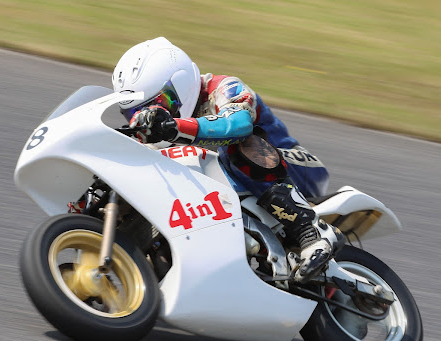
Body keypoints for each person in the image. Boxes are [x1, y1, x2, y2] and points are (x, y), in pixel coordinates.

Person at [112, 37, 344, 282]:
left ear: (180, 85)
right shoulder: (158, 133)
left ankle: (312, 231)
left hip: (296, 167)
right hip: (238, 193)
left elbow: (239, 125)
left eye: (157, 106)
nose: (149, 118)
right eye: (134, 114)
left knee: (235, 145)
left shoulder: (224, 88)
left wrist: (173, 126)